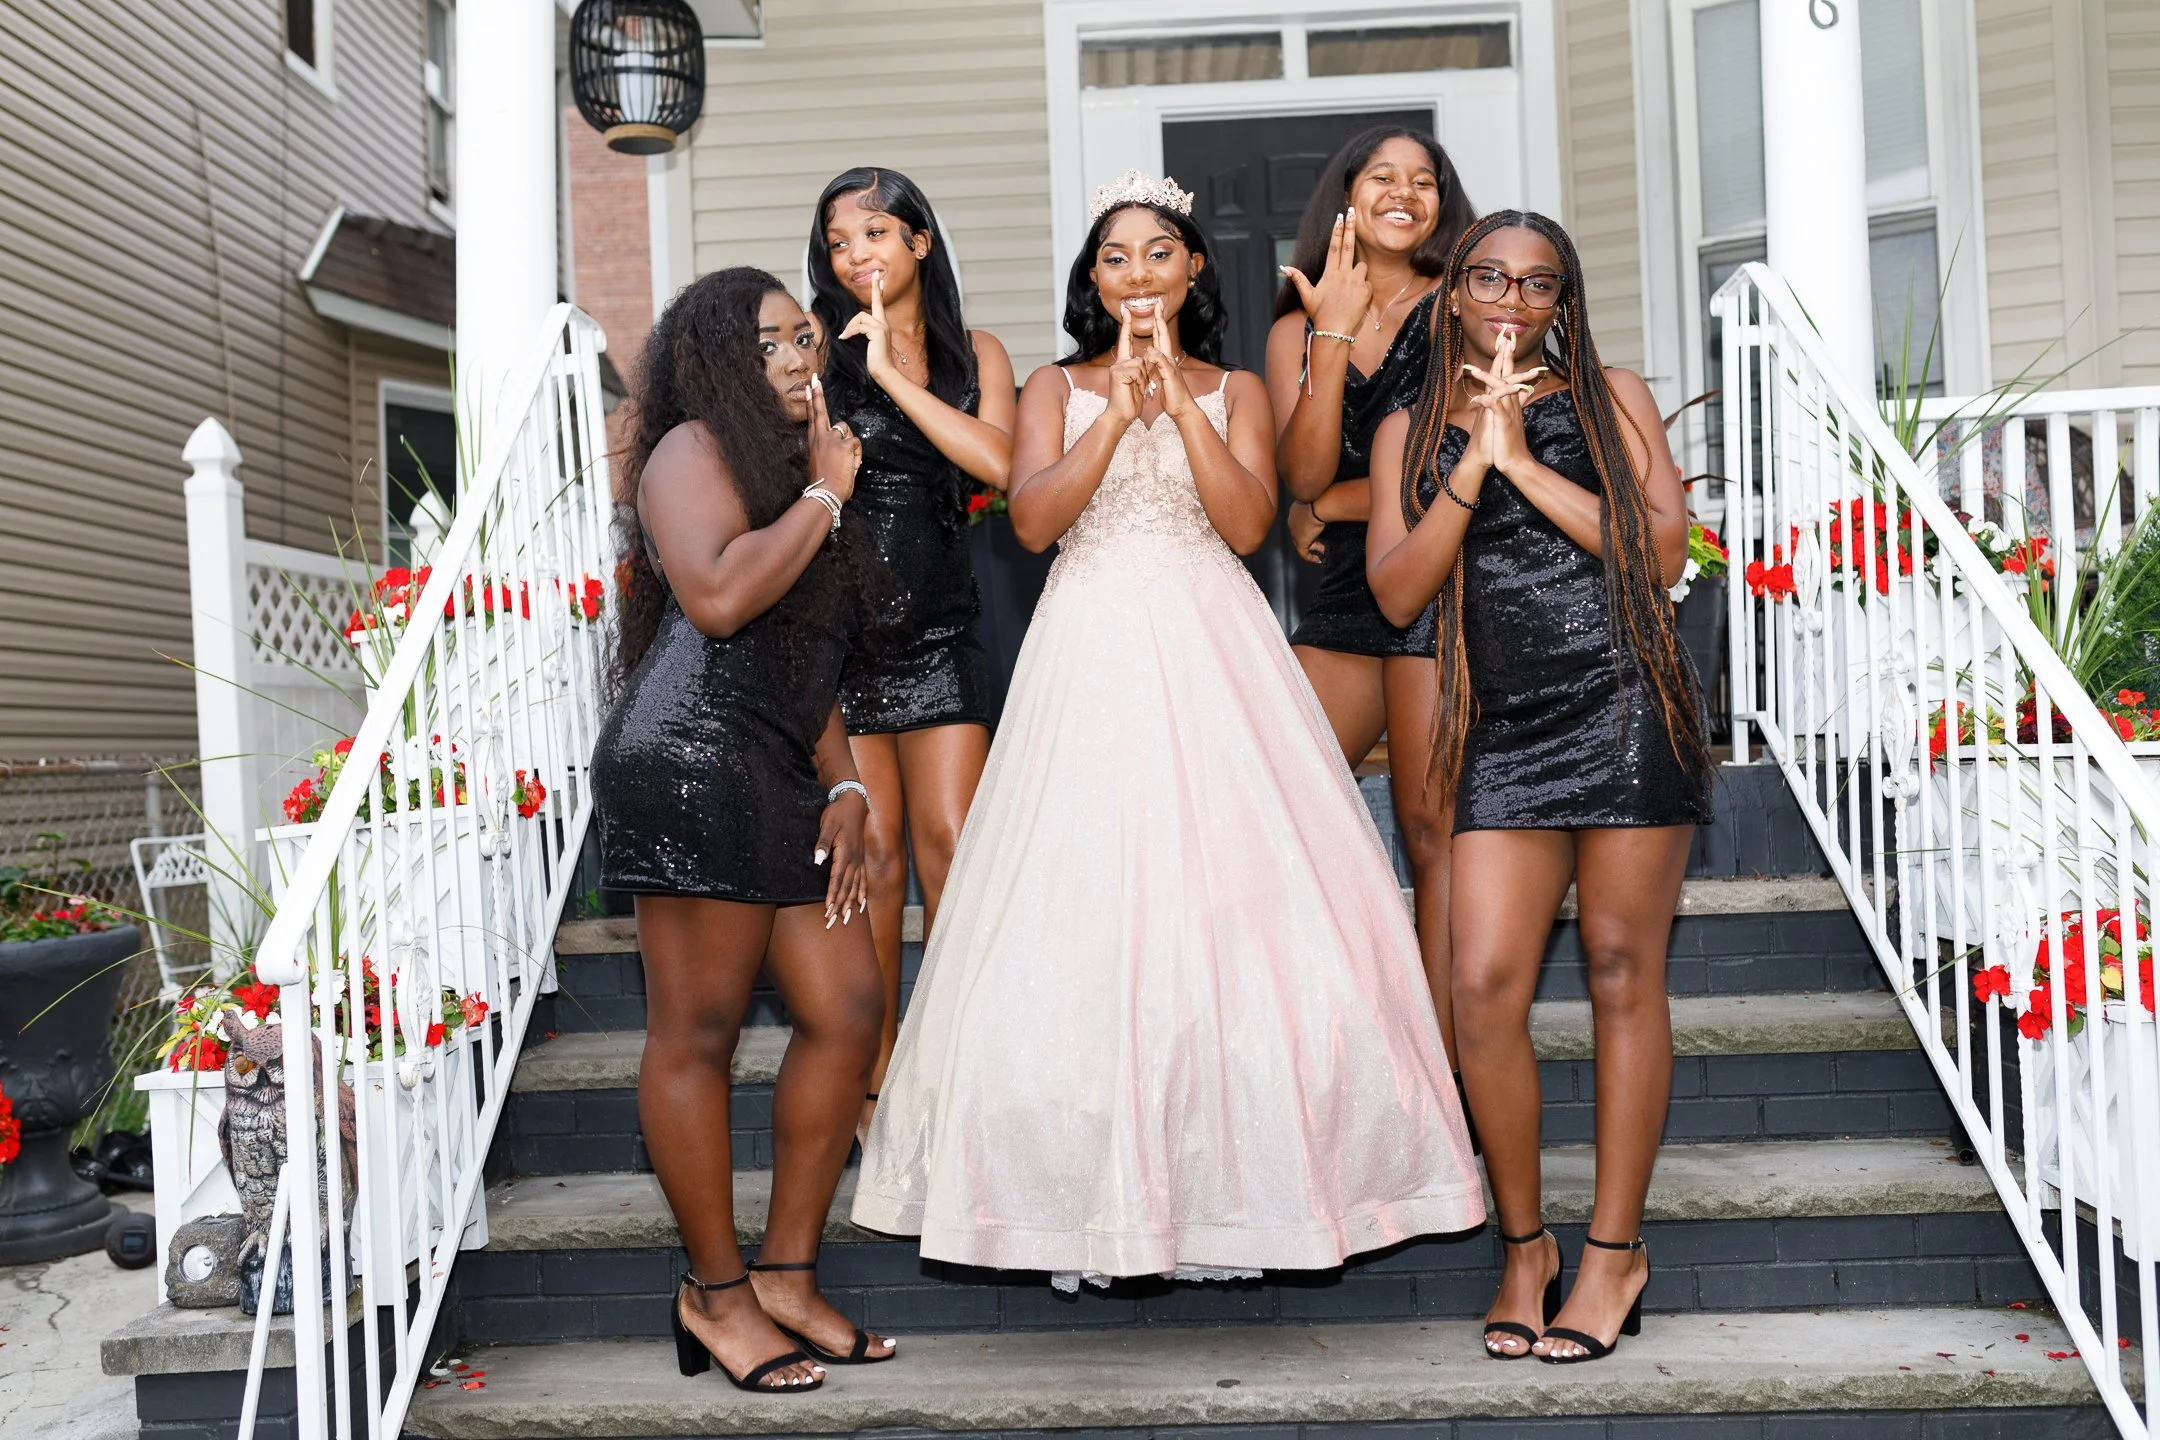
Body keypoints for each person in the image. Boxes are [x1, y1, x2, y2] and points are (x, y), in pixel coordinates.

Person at [851, 172, 1484, 1282]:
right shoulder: (1053, 383)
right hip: (1087, 640)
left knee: (1233, 898)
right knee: (1083, 897)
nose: (1137, 274)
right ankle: (1072, 1186)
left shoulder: (1240, 385)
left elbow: (1246, 526)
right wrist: (1116, 420)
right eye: (1115, 258)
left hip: (1211, 638)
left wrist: (1180, 407)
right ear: (1092, 282)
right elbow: (1037, 520)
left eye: (1157, 253)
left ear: (1192, 269)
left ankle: (1248, 1188)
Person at [1366, 212, 1712, 1364]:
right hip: (1505, 729)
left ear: (1560, 298)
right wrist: (1475, 459)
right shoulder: (1410, 432)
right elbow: (1401, 594)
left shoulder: (1611, 395)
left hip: (1623, 705)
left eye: (1537, 282)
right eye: (1489, 278)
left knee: (1622, 969)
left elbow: (1659, 554)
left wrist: (1526, 460)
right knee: (1481, 985)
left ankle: (1613, 1254)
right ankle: (1527, 1246)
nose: (1511, 298)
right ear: (1453, 292)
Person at [591, 268, 898, 1392]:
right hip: (686, 759)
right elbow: (719, 602)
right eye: (768, 340)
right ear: (717, 356)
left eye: (803, 335)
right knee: (700, 1032)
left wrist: (851, 785)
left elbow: (800, 653)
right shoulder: (691, 454)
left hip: (778, 765)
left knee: (846, 1006)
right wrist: (823, 497)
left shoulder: (790, 467)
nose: (795, 355)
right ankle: (714, 1296)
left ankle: (786, 1275)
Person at [1264, 125, 1477, 1094]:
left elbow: (1450, 469)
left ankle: (1438, 1070)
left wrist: (1337, 504)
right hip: (1347, 596)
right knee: (1275, 801)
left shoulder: (1469, 309)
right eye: (1384, 177)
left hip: (1443, 580)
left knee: (1434, 833)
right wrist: (1333, 333)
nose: (1407, 193)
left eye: (1425, 180)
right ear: (1344, 198)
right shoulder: (1297, 324)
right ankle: (1307, 1036)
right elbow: (1296, 471)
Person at [807, 169, 1017, 1147]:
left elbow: (1000, 464)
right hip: (845, 641)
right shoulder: (814, 358)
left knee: (954, 849)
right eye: (841, 242)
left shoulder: (977, 354)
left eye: (877, 233)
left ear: (920, 243)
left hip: (941, 631)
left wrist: (894, 373)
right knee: (876, 859)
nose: (858, 255)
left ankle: (972, 1066)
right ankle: (875, 1075)